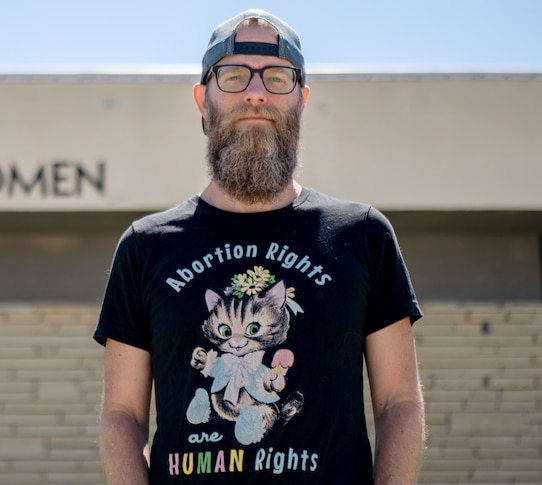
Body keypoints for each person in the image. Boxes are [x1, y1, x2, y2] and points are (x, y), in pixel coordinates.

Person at [93, 8, 425, 485]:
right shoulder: (145, 248)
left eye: (277, 77)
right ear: (201, 99)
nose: (255, 91)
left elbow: (400, 402)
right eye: (232, 75)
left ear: (302, 99)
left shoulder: (364, 235)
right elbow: (122, 414)